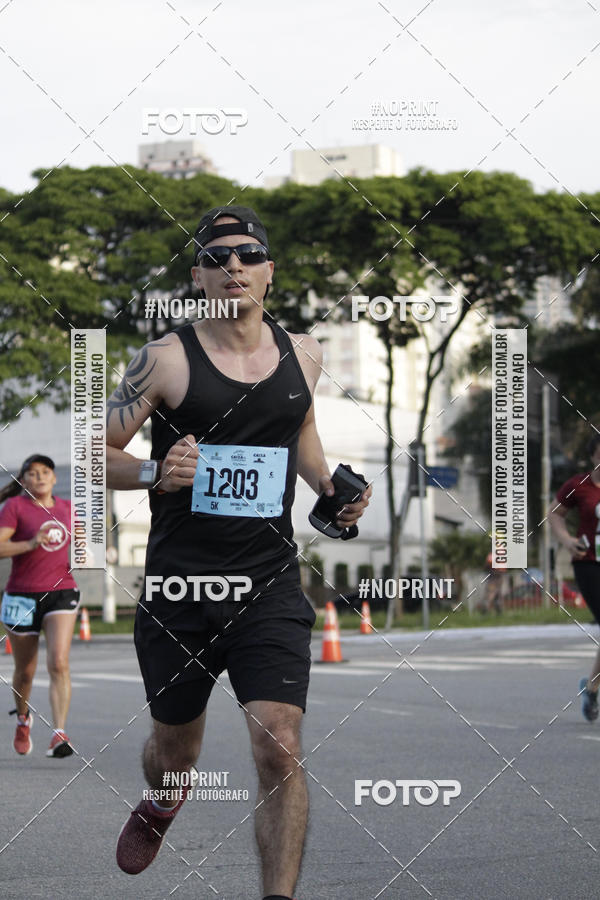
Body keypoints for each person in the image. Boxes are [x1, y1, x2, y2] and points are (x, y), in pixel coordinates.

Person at [107, 206, 371, 900]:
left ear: (268, 271)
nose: (234, 266)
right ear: (197, 277)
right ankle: (164, 799)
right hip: (180, 589)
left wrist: (329, 488)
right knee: (175, 754)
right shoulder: (165, 359)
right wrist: (153, 471)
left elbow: (298, 426)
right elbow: (93, 451)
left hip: (267, 583)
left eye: (248, 255)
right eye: (217, 257)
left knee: (279, 744)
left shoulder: (304, 353)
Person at [0, 454, 79, 757]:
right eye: (32, 473)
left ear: (54, 478)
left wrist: (91, 549)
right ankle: (23, 719)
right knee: (25, 671)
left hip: (62, 591)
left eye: (45, 472)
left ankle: (59, 734)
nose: (40, 477)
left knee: (58, 661)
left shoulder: (69, 509)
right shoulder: (15, 507)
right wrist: (31, 543)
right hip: (21, 595)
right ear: (23, 480)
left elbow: (85, 545)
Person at [549, 434, 600, 722]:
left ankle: (591, 688)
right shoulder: (578, 485)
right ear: (593, 456)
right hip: (589, 564)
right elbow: (555, 514)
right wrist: (567, 540)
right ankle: (591, 689)